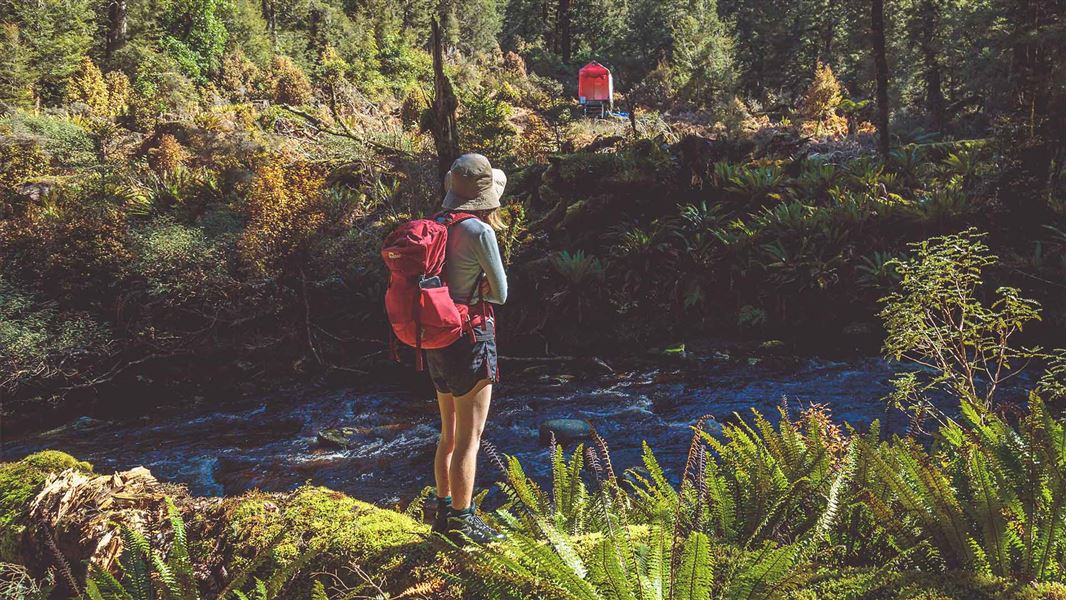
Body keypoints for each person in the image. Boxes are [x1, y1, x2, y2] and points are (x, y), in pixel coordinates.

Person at [427, 153, 508, 544]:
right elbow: (502, 294)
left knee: (448, 433)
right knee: (469, 439)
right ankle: (465, 520)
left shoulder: (438, 223)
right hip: (471, 337)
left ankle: (442, 513)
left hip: (437, 337)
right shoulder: (479, 231)